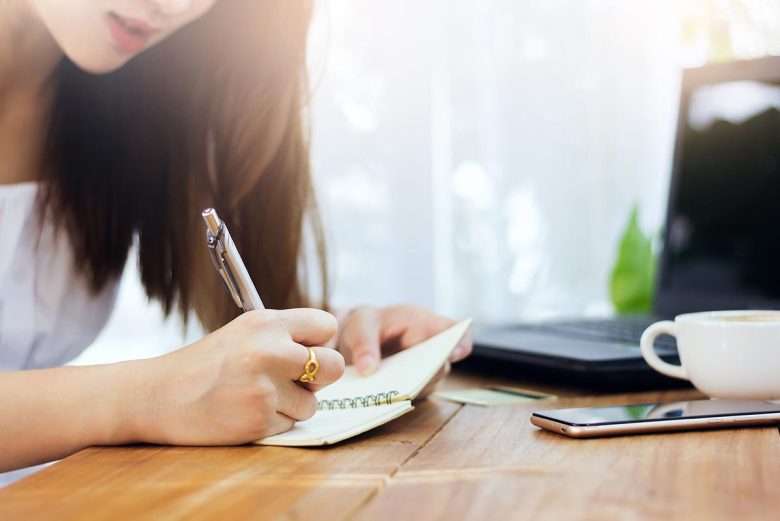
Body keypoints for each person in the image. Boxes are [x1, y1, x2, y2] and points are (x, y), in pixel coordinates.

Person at [0, 0, 472, 476]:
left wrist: (328, 344)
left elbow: (243, 311)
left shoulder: (136, 88)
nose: (176, 7)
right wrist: (152, 394)